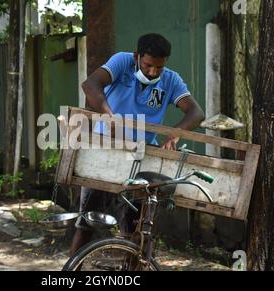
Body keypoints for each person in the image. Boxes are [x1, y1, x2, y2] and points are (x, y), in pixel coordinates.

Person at [70, 33, 205, 256]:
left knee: (139, 230)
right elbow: (91, 84)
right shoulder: (122, 61)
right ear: (137, 56)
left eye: (158, 67)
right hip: (105, 151)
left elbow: (196, 112)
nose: (153, 72)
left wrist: (174, 135)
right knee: (87, 224)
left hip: (140, 158)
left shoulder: (170, 80)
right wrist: (108, 115)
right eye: (148, 65)